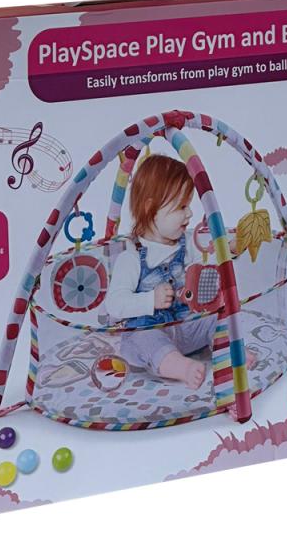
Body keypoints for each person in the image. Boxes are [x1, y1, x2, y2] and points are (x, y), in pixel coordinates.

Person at [105, 154, 254, 390]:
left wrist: (228, 250)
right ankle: (180, 367)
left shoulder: (188, 243)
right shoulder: (131, 257)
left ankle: (230, 350)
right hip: (152, 331)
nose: (190, 213)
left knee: (217, 317)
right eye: (181, 206)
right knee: (143, 338)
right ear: (151, 209)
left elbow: (206, 267)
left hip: (188, 324)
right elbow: (114, 304)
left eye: (189, 205)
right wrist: (150, 300)